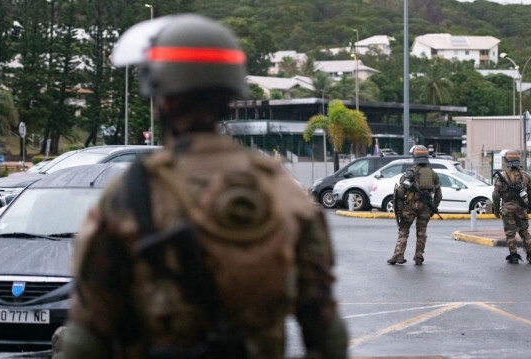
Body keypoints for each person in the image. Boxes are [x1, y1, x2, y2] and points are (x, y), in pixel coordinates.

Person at [61, 14, 348, 359]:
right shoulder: (281, 190)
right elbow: (326, 330)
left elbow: (87, 333)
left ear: (162, 98)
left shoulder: (130, 193)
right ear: (230, 94)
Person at [387, 145, 442, 266]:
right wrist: (433, 207)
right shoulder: (433, 174)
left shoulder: (410, 173)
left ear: (415, 156)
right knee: (421, 232)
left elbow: (400, 193)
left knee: (404, 230)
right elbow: (439, 194)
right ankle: (419, 256)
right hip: (426, 207)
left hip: (410, 206)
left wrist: (399, 210)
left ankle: (398, 255)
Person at [492, 149, 531, 264]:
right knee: (524, 231)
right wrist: (529, 207)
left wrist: (496, 210)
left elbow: (496, 195)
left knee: (510, 233)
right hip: (521, 209)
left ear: (507, 161)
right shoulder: (525, 176)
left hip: (507, 210)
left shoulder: (502, 176)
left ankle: (513, 256)